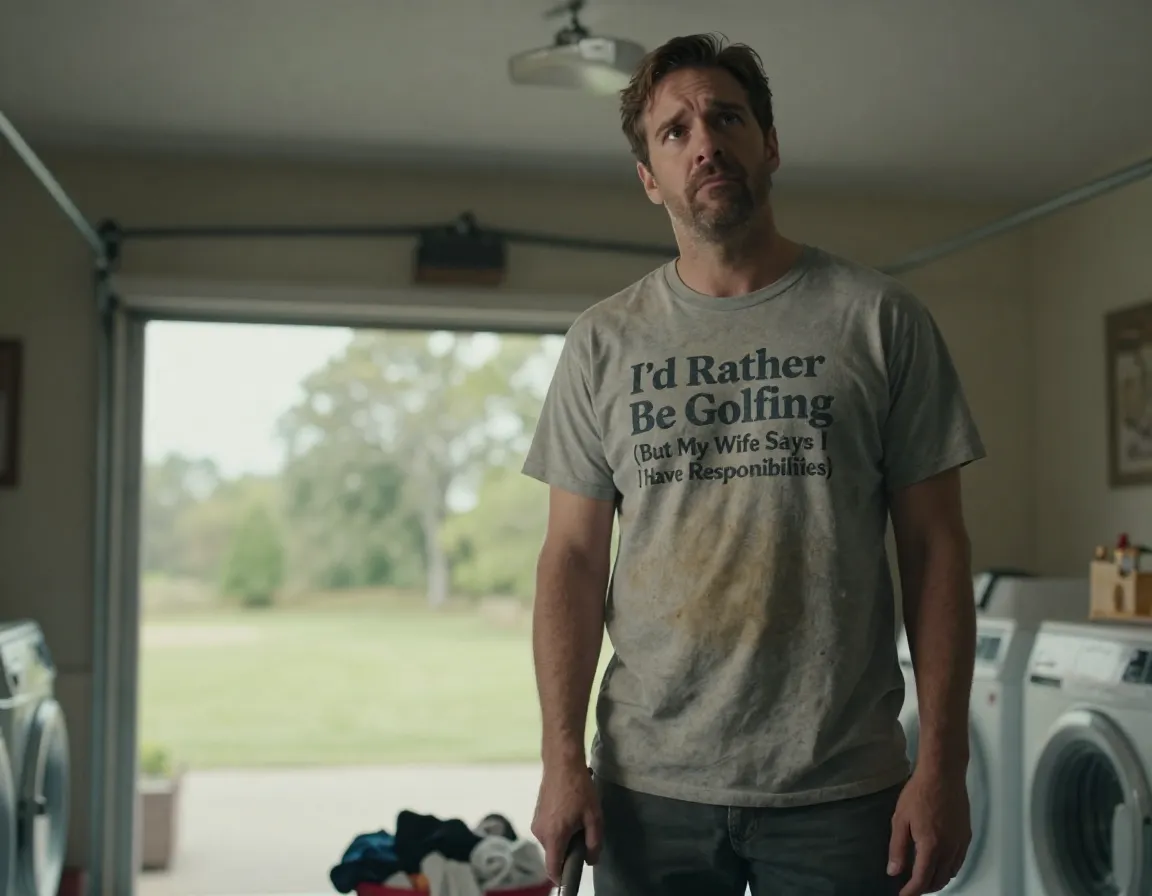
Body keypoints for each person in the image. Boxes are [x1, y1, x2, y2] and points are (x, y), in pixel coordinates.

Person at [522, 32, 984, 896]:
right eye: (675, 130)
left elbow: (936, 551)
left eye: (726, 117)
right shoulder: (603, 343)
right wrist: (560, 761)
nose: (705, 140)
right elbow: (573, 562)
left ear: (767, 144)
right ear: (649, 178)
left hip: (842, 788)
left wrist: (943, 765)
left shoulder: (881, 320)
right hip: (647, 785)